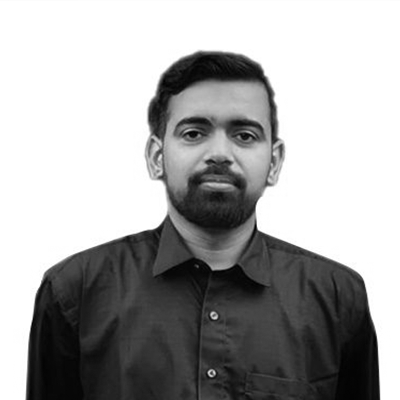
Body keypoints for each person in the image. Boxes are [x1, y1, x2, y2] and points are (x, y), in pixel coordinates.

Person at [26, 51, 379, 400]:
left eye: (244, 135)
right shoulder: (75, 292)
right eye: (194, 133)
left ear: (274, 162)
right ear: (157, 157)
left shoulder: (336, 298)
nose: (219, 154)